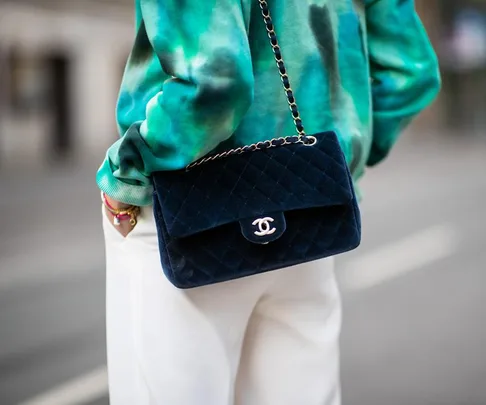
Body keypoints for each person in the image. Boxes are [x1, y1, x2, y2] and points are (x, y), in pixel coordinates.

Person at [96, 0, 441, 404]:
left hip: (190, 210)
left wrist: (129, 169)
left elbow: (215, 78)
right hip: (308, 211)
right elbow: (410, 74)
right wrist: (337, 162)